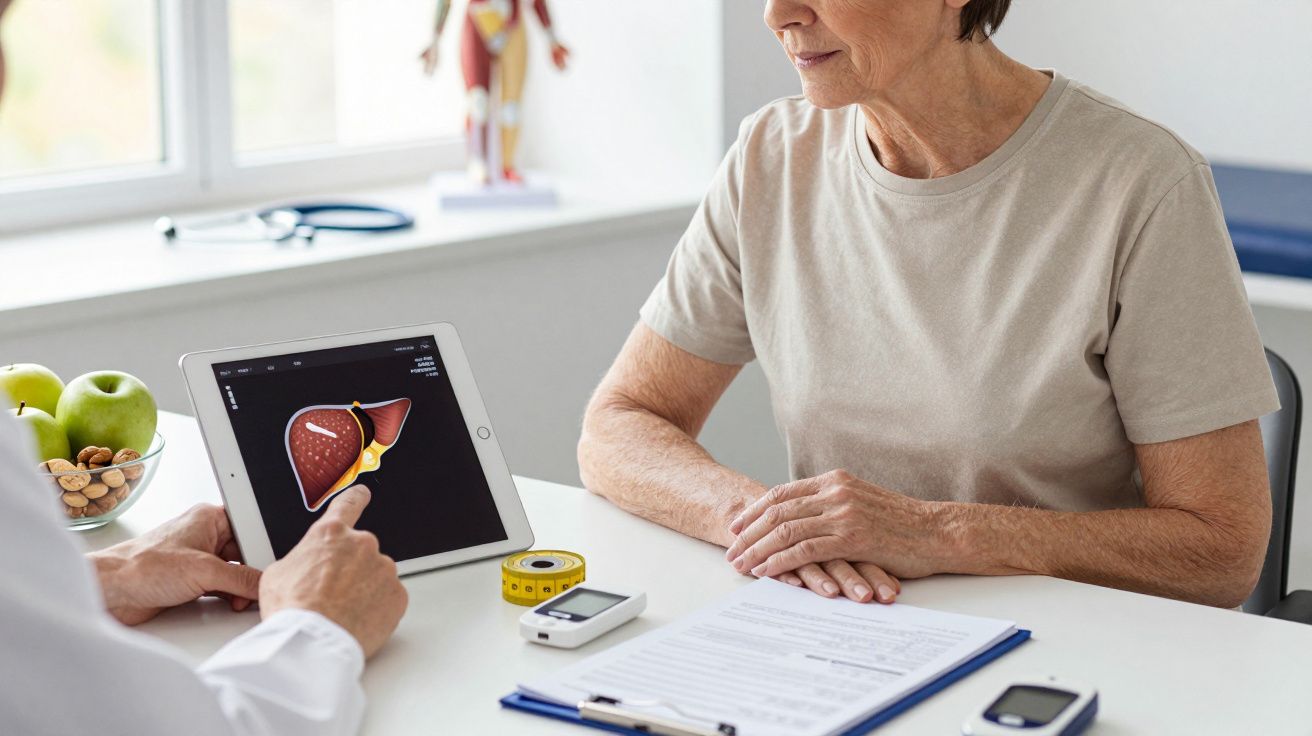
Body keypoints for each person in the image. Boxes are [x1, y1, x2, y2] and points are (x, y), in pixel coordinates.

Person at [578, 0, 1278, 610]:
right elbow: (619, 425)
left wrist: (939, 533)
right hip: (844, 626)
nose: (777, 13)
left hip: (1069, 647)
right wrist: (762, 523)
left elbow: (1221, 550)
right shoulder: (772, 157)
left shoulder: (1139, 183)